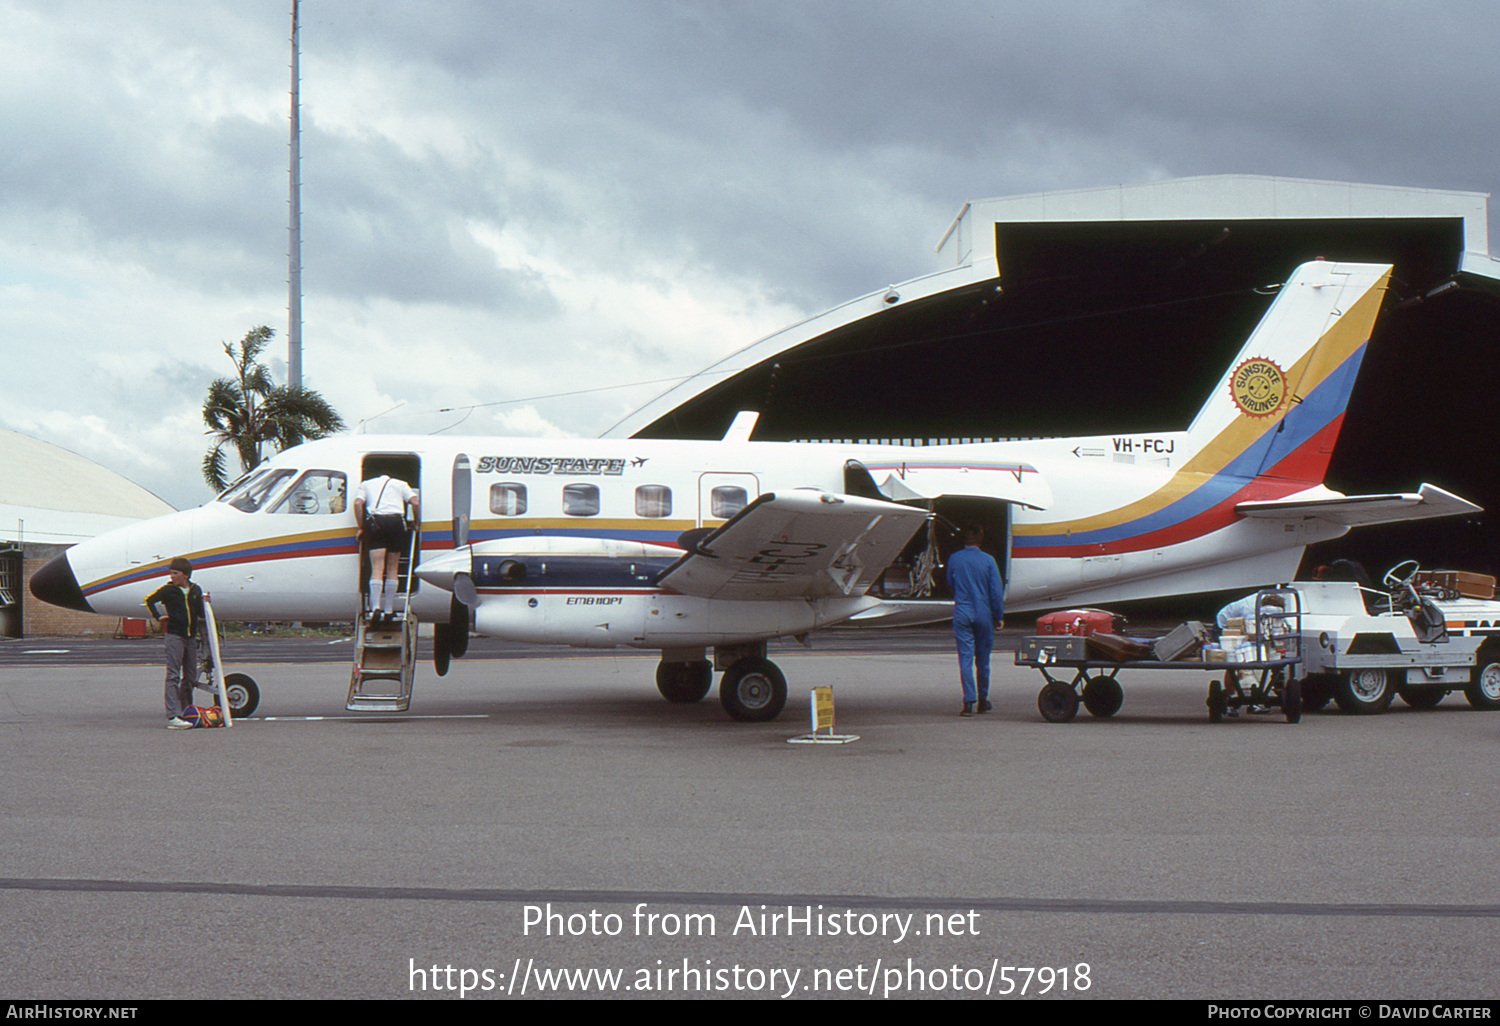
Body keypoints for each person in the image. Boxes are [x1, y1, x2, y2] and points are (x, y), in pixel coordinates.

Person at [946, 524, 1006, 716]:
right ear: (981, 540)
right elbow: (996, 592)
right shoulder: (988, 560)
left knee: (965, 658)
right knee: (983, 660)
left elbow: (949, 581)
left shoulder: (954, 559)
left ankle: (968, 702)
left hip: (962, 611)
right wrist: (998, 616)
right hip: (983, 613)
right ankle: (983, 699)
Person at [144, 556, 206, 729]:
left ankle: (186, 709)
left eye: (176, 573)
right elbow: (149, 600)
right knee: (173, 675)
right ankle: (173, 715)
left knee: (191, 676)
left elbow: (200, 612)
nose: (172, 576)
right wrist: (158, 617)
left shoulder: (195, 590)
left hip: (190, 637)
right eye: (171, 573)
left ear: (185, 575)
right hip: (175, 636)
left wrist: (206, 606)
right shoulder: (168, 590)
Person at [354, 473, 419, 625]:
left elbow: (357, 503)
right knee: (392, 568)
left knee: (377, 567)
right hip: (396, 523)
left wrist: (361, 526)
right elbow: (415, 503)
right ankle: (389, 609)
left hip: (376, 522)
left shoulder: (366, 484)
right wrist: (416, 523)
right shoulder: (401, 483)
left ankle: (375, 607)